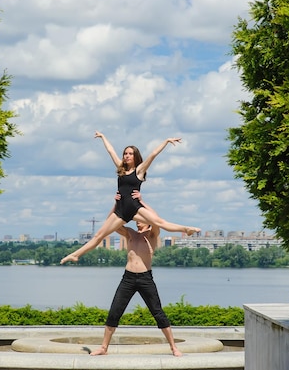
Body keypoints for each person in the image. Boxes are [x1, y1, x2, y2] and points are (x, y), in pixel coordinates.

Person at [66, 193, 184, 357]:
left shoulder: (152, 235)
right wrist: (117, 205)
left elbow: (157, 219)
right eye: (136, 221)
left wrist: (141, 202)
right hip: (128, 278)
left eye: (140, 220)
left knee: (158, 313)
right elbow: (111, 224)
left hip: (145, 279)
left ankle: (174, 348)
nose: (137, 223)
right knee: (114, 312)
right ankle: (103, 348)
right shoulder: (130, 234)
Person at [61, 131, 199, 264]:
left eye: (130, 154)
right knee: (99, 235)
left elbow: (153, 154)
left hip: (134, 207)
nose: (127, 156)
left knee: (159, 222)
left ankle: (186, 229)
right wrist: (103, 137)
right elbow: (111, 151)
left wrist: (166, 141)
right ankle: (75, 255)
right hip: (120, 210)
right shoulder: (121, 169)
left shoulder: (139, 171)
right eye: (125, 154)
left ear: (135, 156)